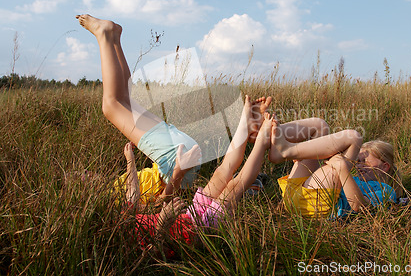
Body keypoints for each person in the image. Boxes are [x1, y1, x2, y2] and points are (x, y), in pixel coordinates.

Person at [75, 14, 271, 188]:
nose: (84, 173)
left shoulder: (114, 188)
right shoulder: (114, 194)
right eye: (80, 178)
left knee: (123, 100)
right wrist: (134, 163)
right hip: (174, 163)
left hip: (176, 157)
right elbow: (158, 202)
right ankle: (105, 35)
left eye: (81, 173)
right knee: (111, 105)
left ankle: (114, 39)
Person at [124, 99, 273, 252]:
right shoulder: (124, 244)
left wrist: (130, 160)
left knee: (220, 174)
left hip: (189, 216)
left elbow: (132, 194)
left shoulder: (121, 218)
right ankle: (263, 139)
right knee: (233, 188)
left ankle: (246, 122)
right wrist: (162, 224)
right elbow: (154, 255)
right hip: (196, 234)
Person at [269, 118, 401, 218]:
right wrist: (306, 155)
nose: (358, 164)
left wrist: (343, 169)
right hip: (295, 192)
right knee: (319, 125)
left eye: (364, 161)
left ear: (384, 166)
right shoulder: (353, 178)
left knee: (354, 137)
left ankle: (287, 150)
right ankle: (264, 135)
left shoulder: (387, 191)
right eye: (358, 160)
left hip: (316, 205)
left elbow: (360, 207)